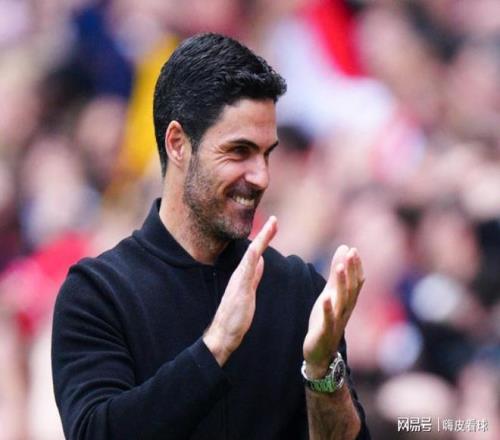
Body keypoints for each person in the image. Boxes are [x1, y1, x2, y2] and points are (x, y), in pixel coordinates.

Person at [52, 33, 370, 439]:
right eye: (239, 151)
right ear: (178, 144)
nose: (261, 177)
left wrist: (322, 371)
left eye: (266, 153)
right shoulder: (98, 294)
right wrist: (216, 345)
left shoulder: (298, 289)